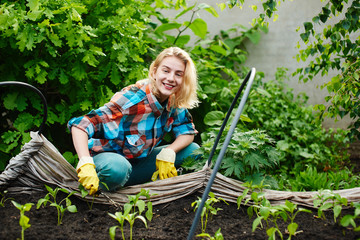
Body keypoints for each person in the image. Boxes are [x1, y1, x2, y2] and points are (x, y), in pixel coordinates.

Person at [68, 47, 200, 195]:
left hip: (136, 164)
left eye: (178, 74)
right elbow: (80, 125)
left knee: (193, 151)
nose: (171, 78)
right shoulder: (132, 99)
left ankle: (133, 188)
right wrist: (85, 162)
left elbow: (187, 132)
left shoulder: (173, 100)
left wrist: (169, 152)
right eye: (166, 71)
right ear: (154, 72)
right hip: (106, 162)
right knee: (118, 169)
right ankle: (96, 194)